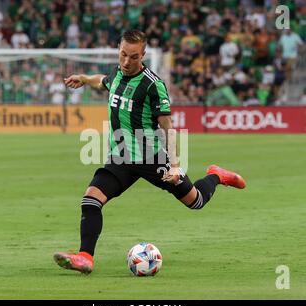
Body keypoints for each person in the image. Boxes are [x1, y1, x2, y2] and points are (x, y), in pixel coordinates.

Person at [54, 30, 246, 274]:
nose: (126, 61)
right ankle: (85, 257)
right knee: (91, 200)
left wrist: (175, 166)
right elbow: (101, 80)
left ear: (143, 55)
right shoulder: (116, 73)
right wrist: (82, 77)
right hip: (121, 157)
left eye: (133, 57)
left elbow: (168, 128)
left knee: (195, 201)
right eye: (123, 54)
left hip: (153, 158)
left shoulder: (153, 85)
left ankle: (217, 175)